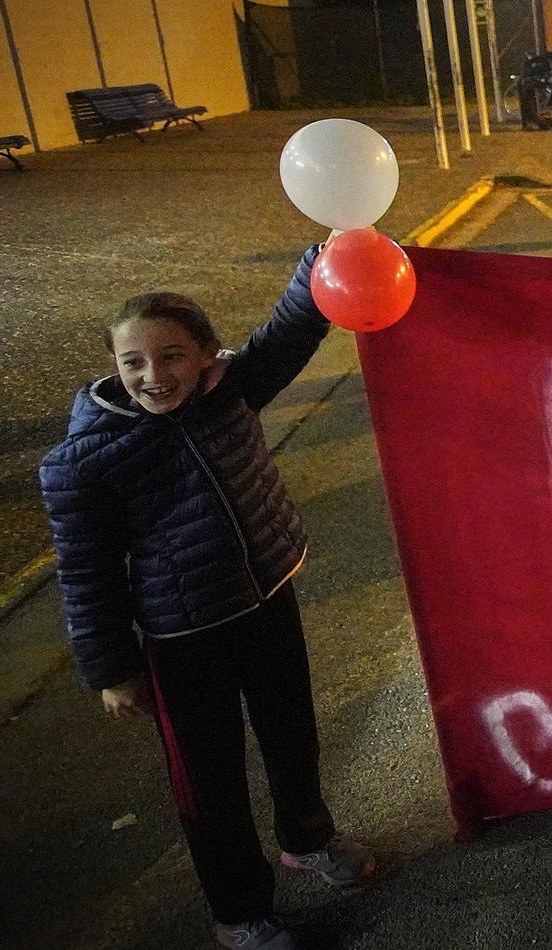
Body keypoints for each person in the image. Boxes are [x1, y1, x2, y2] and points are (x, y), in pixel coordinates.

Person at [41, 256, 375, 950]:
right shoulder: (84, 458)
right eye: (133, 360)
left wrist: (325, 256)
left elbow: (291, 328)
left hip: (268, 596)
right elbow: (86, 572)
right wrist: (110, 668)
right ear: (112, 364)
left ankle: (308, 838)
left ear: (204, 355)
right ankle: (240, 910)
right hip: (182, 636)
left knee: (292, 731)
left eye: (171, 355)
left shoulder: (231, 390)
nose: (153, 375)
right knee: (210, 779)